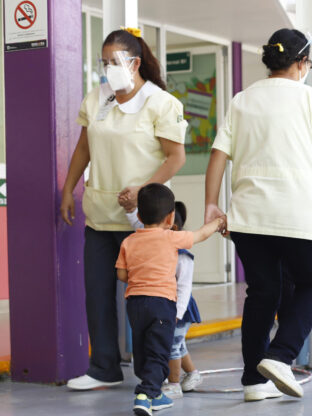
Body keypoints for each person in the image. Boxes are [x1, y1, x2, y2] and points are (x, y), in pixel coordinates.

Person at [204, 28, 312, 402]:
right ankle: (281, 356)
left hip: (248, 216)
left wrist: (211, 204)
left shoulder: (242, 100)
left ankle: (253, 381)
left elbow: (218, 154)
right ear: (301, 63)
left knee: (262, 293)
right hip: (298, 215)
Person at [61, 28, 187, 390]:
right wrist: (69, 189)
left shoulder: (160, 102)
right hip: (100, 215)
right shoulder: (97, 98)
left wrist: (145, 190)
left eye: (114, 62)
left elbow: (176, 156)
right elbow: (83, 149)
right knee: (98, 293)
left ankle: (155, 372)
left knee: (149, 300)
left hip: (143, 220)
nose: (107, 70)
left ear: (133, 62)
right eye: (103, 63)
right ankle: (103, 368)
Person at [115, 184, 223, 415]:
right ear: (171, 217)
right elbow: (201, 235)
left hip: (134, 304)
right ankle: (145, 395)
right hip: (161, 303)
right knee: (159, 351)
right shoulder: (172, 238)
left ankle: (155, 394)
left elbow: (122, 274)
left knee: (143, 349)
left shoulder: (128, 242)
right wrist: (217, 223)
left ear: (140, 215)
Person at [120, 199, 204, 398]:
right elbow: (142, 227)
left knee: (173, 345)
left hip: (176, 308)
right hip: (162, 306)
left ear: (172, 227)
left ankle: (174, 383)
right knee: (177, 343)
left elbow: (184, 288)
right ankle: (193, 374)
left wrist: (178, 313)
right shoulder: (156, 241)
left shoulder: (182, 255)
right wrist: (131, 211)